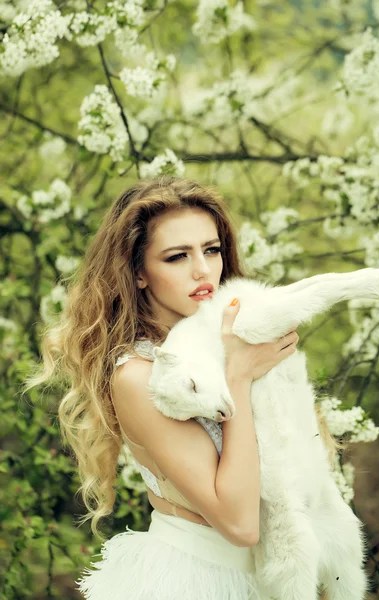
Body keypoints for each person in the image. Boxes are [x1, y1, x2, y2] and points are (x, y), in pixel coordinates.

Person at [25, 176, 337, 599]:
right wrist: (239, 380)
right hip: (198, 579)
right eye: (176, 257)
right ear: (138, 272)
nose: (203, 270)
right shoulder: (140, 376)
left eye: (212, 250)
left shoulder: (230, 343)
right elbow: (240, 524)